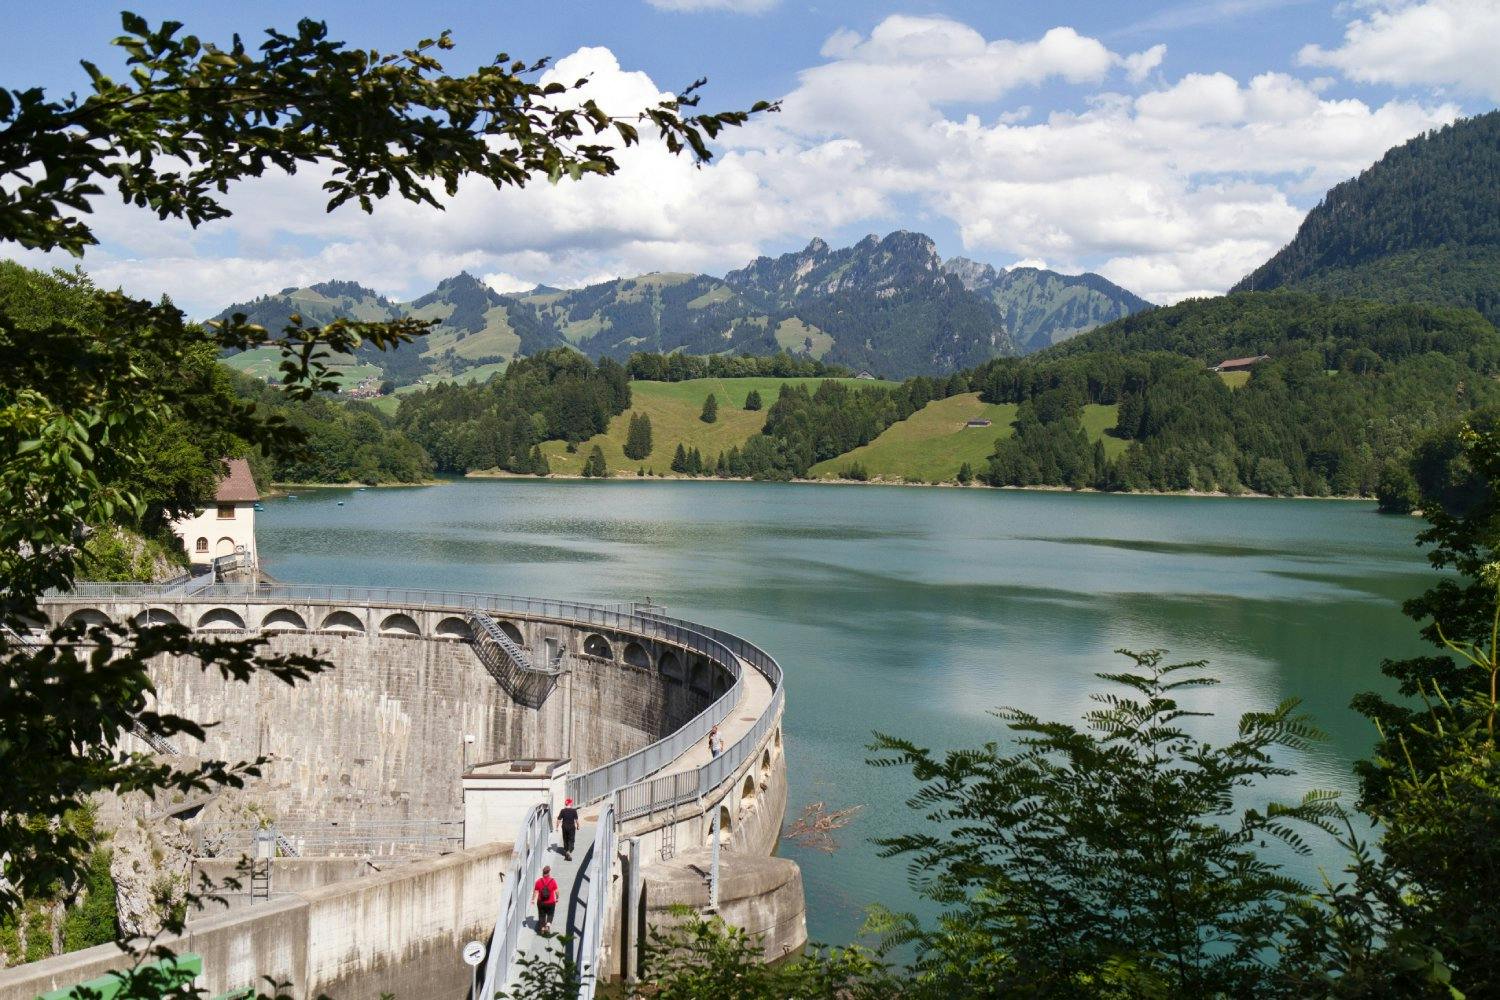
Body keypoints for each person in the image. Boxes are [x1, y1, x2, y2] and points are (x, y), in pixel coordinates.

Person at [533, 864, 559, 935]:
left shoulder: (538, 881)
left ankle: (542, 928)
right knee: (550, 914)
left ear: (543, 873)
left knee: (542, 915)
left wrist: (533, 900)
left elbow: (535, 892)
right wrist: (557, 898)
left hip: (541, 902)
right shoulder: (553, 881)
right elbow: (557, 892)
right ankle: (547, 925)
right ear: (549, 873)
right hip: (551, 902)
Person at [557, 797, 579, 862]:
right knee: (571, 839)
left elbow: (559, 819)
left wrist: (557, 827)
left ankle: (566, 850)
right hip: (571, 827)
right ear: (570, 803)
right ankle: (569, 851)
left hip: (564, 827)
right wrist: (578, 825)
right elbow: (576, 820)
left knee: (565, 838)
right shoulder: (574, 811)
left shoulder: (562, 811)